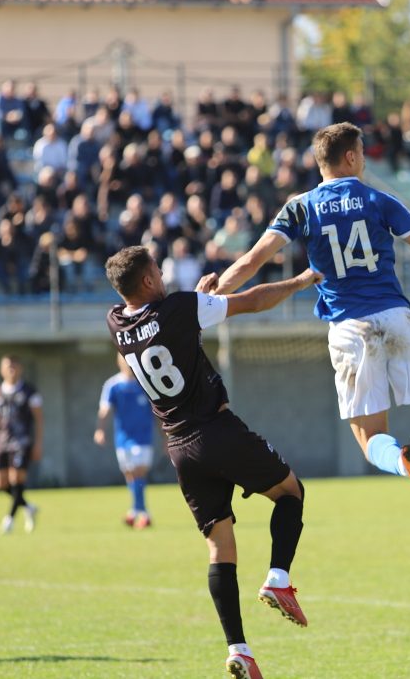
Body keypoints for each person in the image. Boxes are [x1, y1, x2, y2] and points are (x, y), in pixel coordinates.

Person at [214, 122, 410, 548]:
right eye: (361, 152)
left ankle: (405, 463)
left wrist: (216, 293)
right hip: (398, 318)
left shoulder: (301, 207)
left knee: (371, 440)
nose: (363, 159)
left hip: (350, 328)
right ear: (349, 158)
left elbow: (254, 258)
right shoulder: (379, 200)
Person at [104, 245, 322, 678]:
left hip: (180, 449)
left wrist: (197, 298)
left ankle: (239, 649)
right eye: (158, 272)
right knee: (291, 493)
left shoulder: (115, 321)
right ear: (147, 281)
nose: (164, 276)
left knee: (220, 549)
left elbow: (164, 324)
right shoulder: (180, 309)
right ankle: (279, 578)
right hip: (216, 432)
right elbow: (254, 301)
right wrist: (302, 281)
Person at [95, 354, 158, 529]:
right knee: (130, 474)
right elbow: (105, 409)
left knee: (139, 471)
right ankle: (138, 511)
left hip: (143, 437)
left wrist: (165, 435)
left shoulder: (146, 382)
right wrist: (100, 429)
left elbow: (158, 411)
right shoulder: (112, 385)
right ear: (118, 362)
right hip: (122, 439)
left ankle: (141, 513)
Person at [0, 354, 42, 535]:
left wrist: (38, 443)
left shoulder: (29, 392)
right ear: (1, 370)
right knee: (0, 483)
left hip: (21, 442)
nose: (11, 369)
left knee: (16, 480)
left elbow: (39, 419)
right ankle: (29, 507)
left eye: (14, 366)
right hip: (2, 442)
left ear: (20, 368)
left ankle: (9, 520)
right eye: (8, 366)